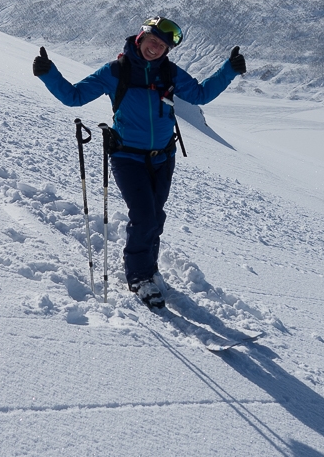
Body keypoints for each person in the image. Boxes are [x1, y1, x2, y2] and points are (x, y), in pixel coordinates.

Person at [33, 17, 246, 307]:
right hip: (127, 157)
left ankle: (149, 265)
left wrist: (229, 70)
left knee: (155, 217)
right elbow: (75, 96)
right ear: (140, 38)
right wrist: (49, 74)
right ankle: (139, 277)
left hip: (163, 157)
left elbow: (200, 94)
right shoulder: (115, 72)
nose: (155, 49)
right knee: (144, 215)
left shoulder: (169, 73)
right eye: (152, 41)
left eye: (162, 46)